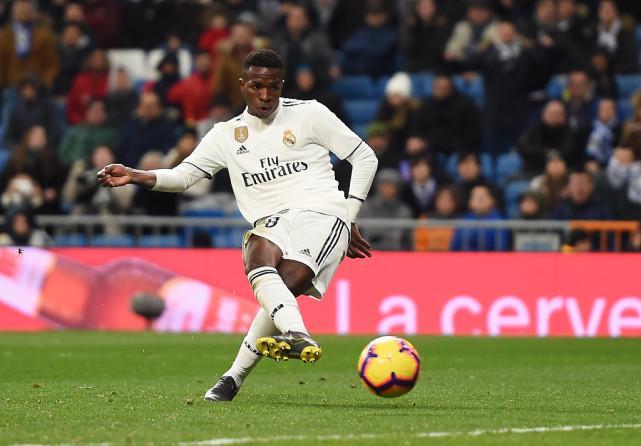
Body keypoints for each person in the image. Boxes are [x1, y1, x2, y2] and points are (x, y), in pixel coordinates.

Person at [97, 49, 378, 402]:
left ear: (282, 86)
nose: (265, 95)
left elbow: (365, 156)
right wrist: (135, 174)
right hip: (272, 221)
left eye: (273, 87)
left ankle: (235, 376)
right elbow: (185, 176)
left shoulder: (310, 113)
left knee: (283, 289)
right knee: (258, 257)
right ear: (243, 85)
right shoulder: (226, 134)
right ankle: (292, 337)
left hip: (321, 213)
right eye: (257, 86)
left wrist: (348, 217)